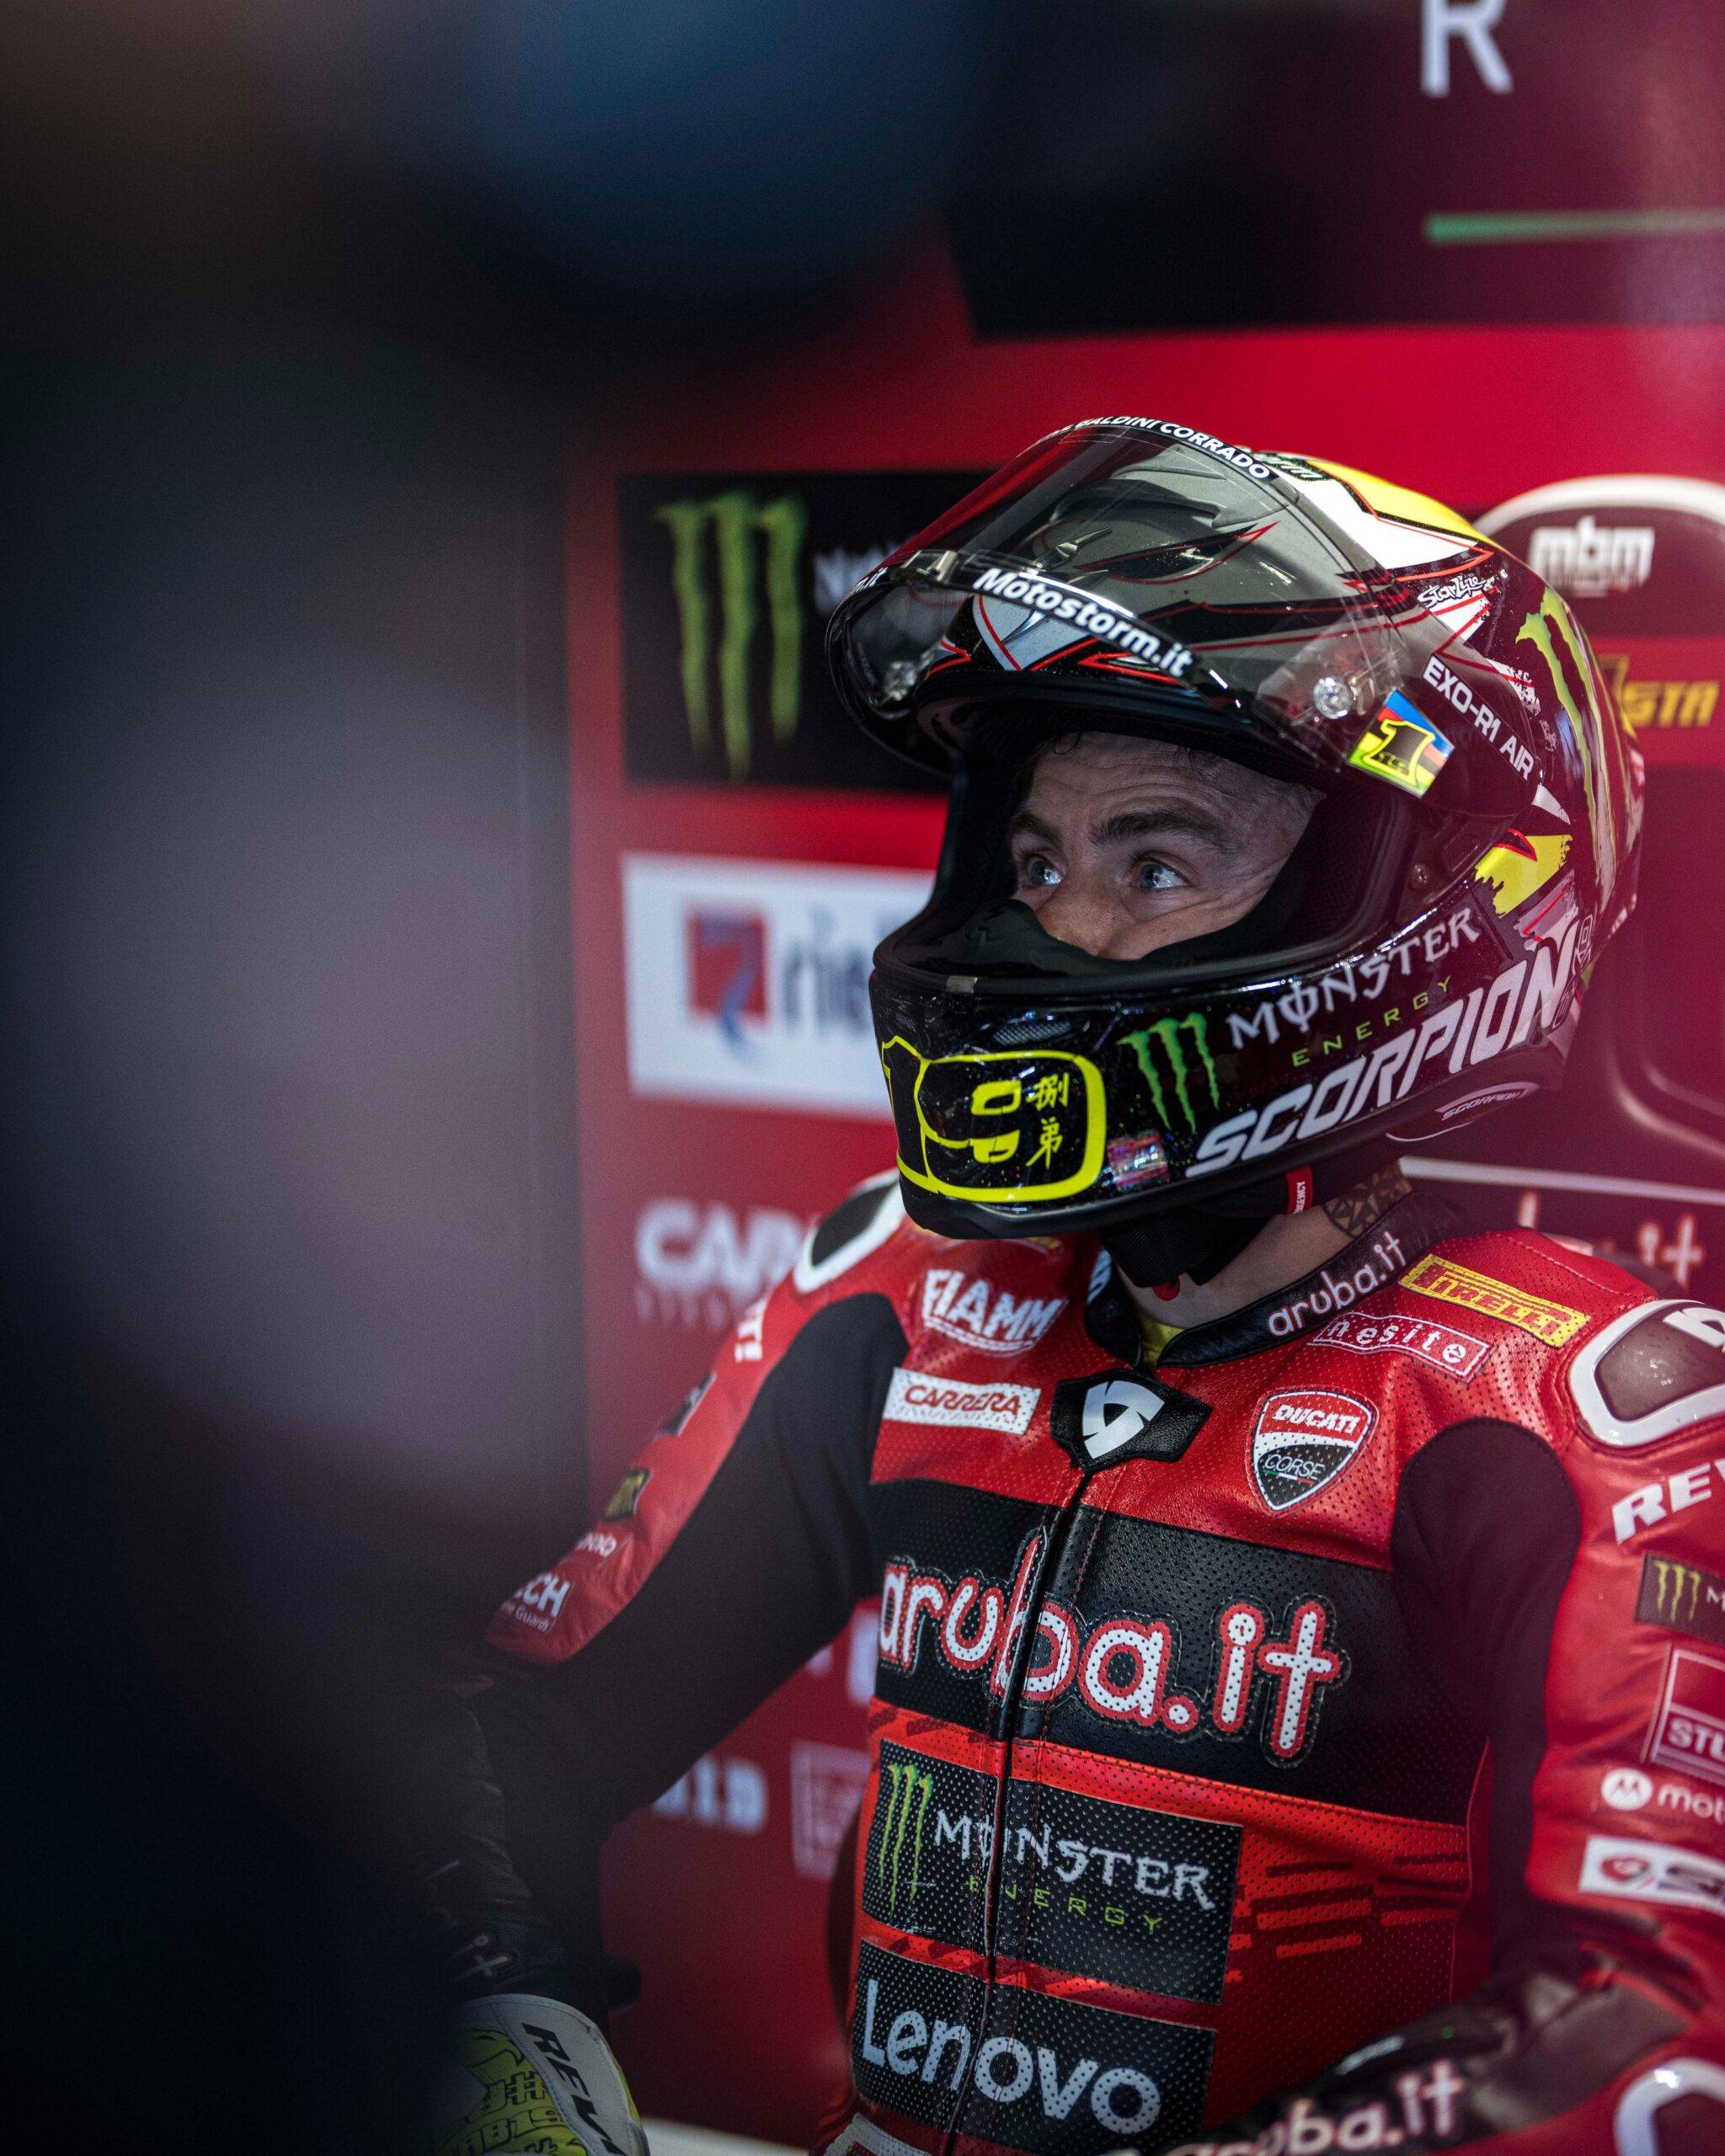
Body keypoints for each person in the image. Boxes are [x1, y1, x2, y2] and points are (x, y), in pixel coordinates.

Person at [422, 421, 1725, 2156]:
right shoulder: (902, 1295)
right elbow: (500, 1736)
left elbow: (1655, 2024)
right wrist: (503, 2025)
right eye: (1034, 864)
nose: (1054, 935)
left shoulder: (1587, 1410)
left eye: (1154, 866)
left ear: (1430, 896)